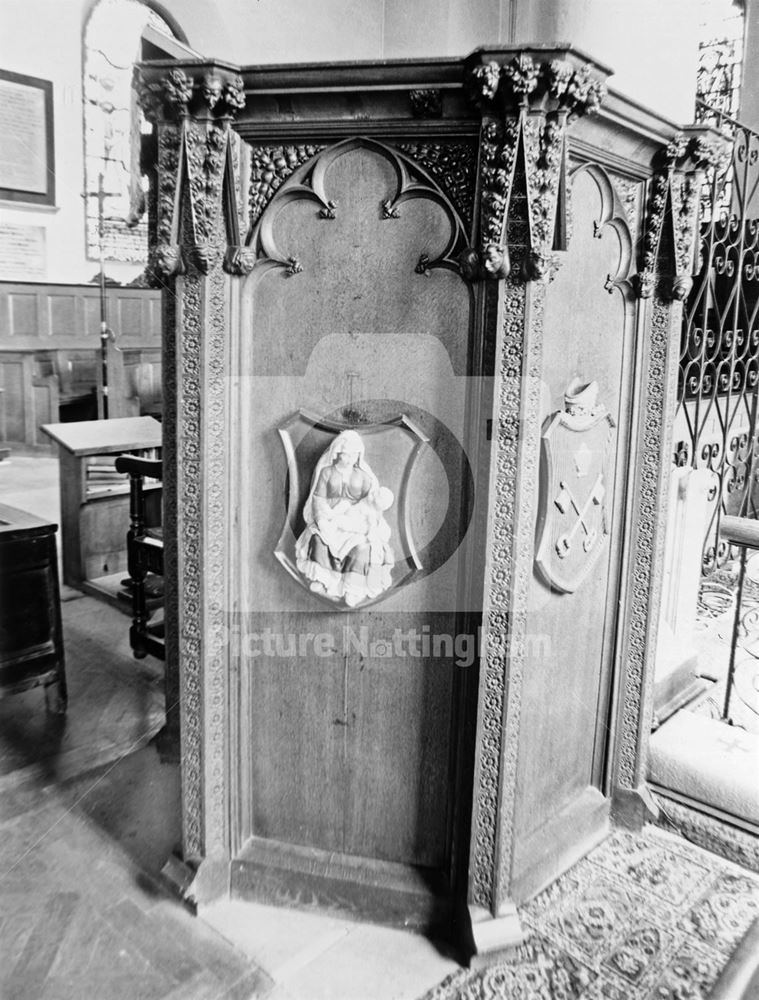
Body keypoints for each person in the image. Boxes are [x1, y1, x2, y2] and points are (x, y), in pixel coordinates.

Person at [295, 430, 394, 606]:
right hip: (331, 517)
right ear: (337, 453)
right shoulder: (326, 472)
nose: (349, 458)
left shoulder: (363, 476)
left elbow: (373, 502)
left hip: (354, 520)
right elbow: (318, 499)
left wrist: (367, 520)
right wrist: (323, 518)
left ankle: (352, 588)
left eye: (354, 454)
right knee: (319, 539)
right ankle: (323, 579)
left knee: (362, 547)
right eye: (345, 454)